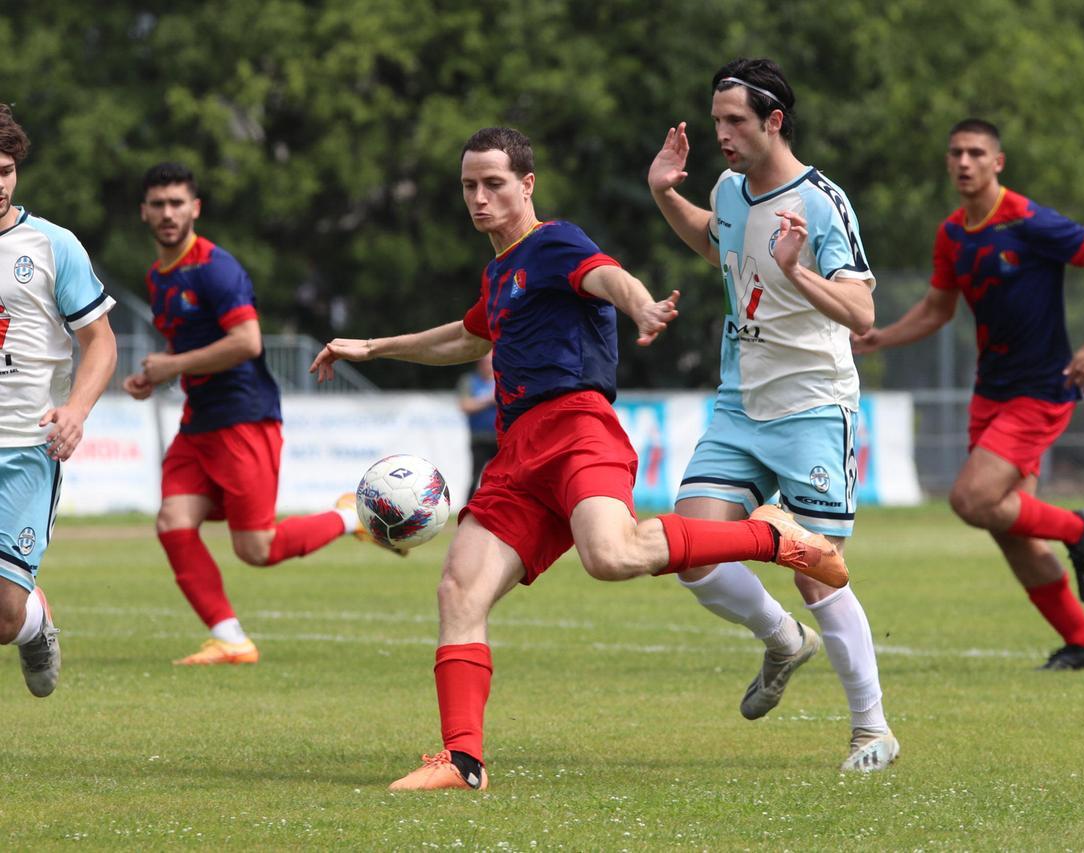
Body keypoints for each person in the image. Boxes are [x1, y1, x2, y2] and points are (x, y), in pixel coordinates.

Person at [311, 127, 851, 792]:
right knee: (459, 589)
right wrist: (372, 345)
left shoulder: (554, 241)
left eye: (494, 184)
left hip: (576, 429)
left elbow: (607, 277)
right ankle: (462, 759)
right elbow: (465, 334)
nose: (479, 198)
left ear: (527, 184)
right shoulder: (501, 270)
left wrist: (643, 305)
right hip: (517, 455)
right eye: (469, 186)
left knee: (612, 555)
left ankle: (776, 536)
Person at [647, 57, 897, 772]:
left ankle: (872, 729)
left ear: (774, 121)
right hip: (740, 405)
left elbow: (862, 311)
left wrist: (797, 271)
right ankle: (783, 640)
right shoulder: (728, 189)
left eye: (736, 121)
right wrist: (665, 192)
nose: (723, 134)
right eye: (717, 119)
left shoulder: (821, 203)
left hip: (814, 407)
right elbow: (713, 241)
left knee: (817, 570)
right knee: (692, 551)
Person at [853, 118, 1084, 670]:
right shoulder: (952, 234)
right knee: (1010, 529)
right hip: (991, 392)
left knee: (971, 501)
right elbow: (938, 308)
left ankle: (1080, 527)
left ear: (997, 162)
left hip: (1041, 389)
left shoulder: (1028, 221)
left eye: (976, 153)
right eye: (956, 152)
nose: (964, 162)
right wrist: (882, 337)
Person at [123, 162, 367, 666]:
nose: (168, 213)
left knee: (255, 548)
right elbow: (191, 345)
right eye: (158, 204)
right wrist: (159, 376)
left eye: (177, 203)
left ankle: (350, 516)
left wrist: (171, 364)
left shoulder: (216, 268)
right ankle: (232, 640)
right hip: (199, 422)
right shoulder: (157, 276)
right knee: (173, 521)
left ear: (195, 208)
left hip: (243, 418)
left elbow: (247, 341)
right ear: (144, 212)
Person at [0, 104, 118, 697]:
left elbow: (100, 342)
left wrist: (74, 411)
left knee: (1, 613)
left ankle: (33, 623)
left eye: (5, 170)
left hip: (24, 448)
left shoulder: (52, 246)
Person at [457, 349, 498, 502]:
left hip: (501, 438)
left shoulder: (502, 380)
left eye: (490, 362)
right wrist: (489, 400)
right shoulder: (469, 381)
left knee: (501, 478)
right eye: (485, 362)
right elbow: (465, 405)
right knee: (475, 477)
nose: (488, 365)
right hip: (479, 438)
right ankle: (467, 508)